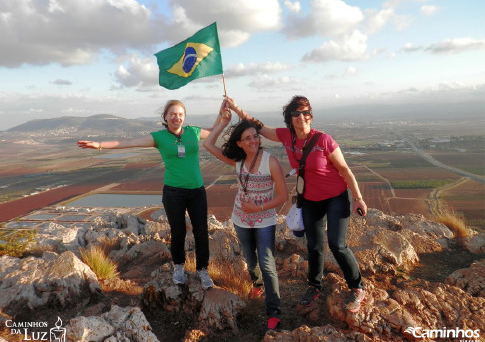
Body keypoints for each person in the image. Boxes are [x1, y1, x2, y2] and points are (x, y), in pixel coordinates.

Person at [225, 95, 368, 313]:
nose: (301, 117)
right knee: (314, 245)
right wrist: (236, 109)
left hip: (336, 197)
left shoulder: (324, 140)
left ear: (311, 115)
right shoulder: (286, 136)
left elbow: (345, 170)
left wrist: (357, 197)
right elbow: (258, 127)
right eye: (296, 113)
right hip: (310, 199)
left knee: (337, 245)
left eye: (305, 112)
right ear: (289, 118)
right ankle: (314, 285)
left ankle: (357, 287)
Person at [77, 99, 221, 290]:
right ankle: (178, 267)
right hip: (174, 192)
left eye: (180, 114)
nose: (176, 117)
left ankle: (202, 270)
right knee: (177, 232)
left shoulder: (194, 132)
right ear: (166, 117)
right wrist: (100, 145)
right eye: (173, 114)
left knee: (201, 232)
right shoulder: (159, 137)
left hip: (197, 191)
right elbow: (129, 142)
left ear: (184, 117)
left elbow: (213, 131)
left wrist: (222, 113)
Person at [203, 105, 288, 331]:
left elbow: (283, 196)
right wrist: (222, 121)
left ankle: (274, 311)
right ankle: (257, 285)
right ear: (239, 143)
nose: (253, 141)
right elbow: (208, 144)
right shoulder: (237, 161)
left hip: (265, 220)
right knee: (251, 260)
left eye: (255, 137)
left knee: (267, 264)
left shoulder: (270, 162)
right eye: (247, 138)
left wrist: (258, 209)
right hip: (240, 219)